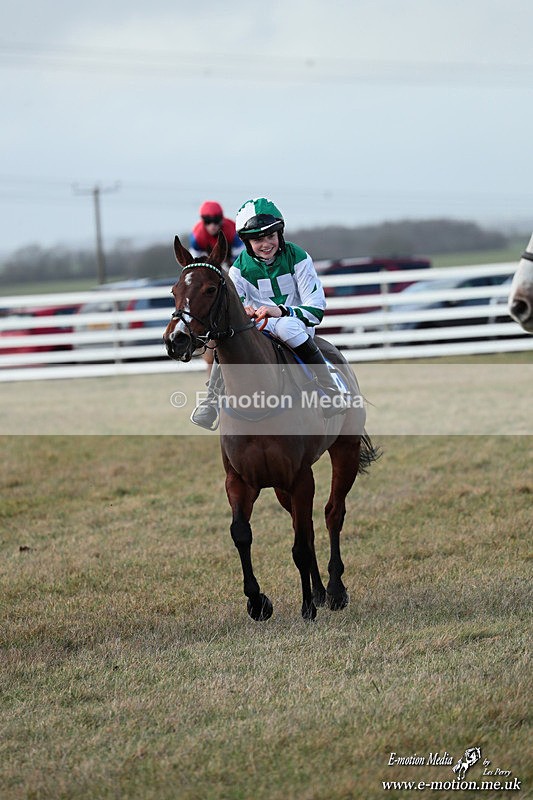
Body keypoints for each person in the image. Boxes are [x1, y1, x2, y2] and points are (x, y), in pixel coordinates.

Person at [190, 197, 347, 430]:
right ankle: (212, 401)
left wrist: (280, 311)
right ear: (246, 241)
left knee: (286, 327)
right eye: (257, 239)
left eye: (271, 236)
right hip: (256, 327)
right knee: (226, 339)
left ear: (279, 234)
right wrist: (244, 311)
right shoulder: (238, 269)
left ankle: (329, 389)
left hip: (295, 322)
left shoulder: (298, 257)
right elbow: (235, 308)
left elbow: (316, 310)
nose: (266, 244)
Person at [189, 201, 244, 265]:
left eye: (216, 220)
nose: (212, 226)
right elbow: (194, 260)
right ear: (203, 220)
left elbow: (240, 257)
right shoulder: (197, 236)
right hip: (207, 260)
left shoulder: (232, 230)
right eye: (208, 221)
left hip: (230, 260)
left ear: (221, 219)